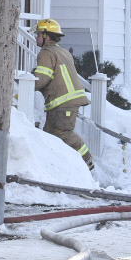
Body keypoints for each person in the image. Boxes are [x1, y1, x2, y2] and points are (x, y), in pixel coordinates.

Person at [32, 18, 93, 170]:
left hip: (62, 103)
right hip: (66, 102)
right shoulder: (62, 51)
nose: (36, 37)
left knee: (62, 134)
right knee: (49, 135)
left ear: (46, 36)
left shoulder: (46, 53)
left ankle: (87, 161)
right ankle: (59, 168)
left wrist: (26, 82)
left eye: (39, 34)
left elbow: (41, 79)